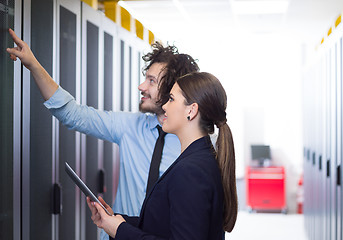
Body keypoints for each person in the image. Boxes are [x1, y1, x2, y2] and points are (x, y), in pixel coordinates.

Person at [6, 28, 199, 238]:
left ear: (172, 90)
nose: (141, 86)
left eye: (151, 81)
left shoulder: (192, 147)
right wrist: (33, 65)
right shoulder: (130, 126)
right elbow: (73, 114)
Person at [87, 72, 238, 239]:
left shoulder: (191, 170)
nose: (165, 106)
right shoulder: (198, 160)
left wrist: (119, 230)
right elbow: (162, 227)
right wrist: (116, 221)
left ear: (191, 110)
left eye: (171, 99)